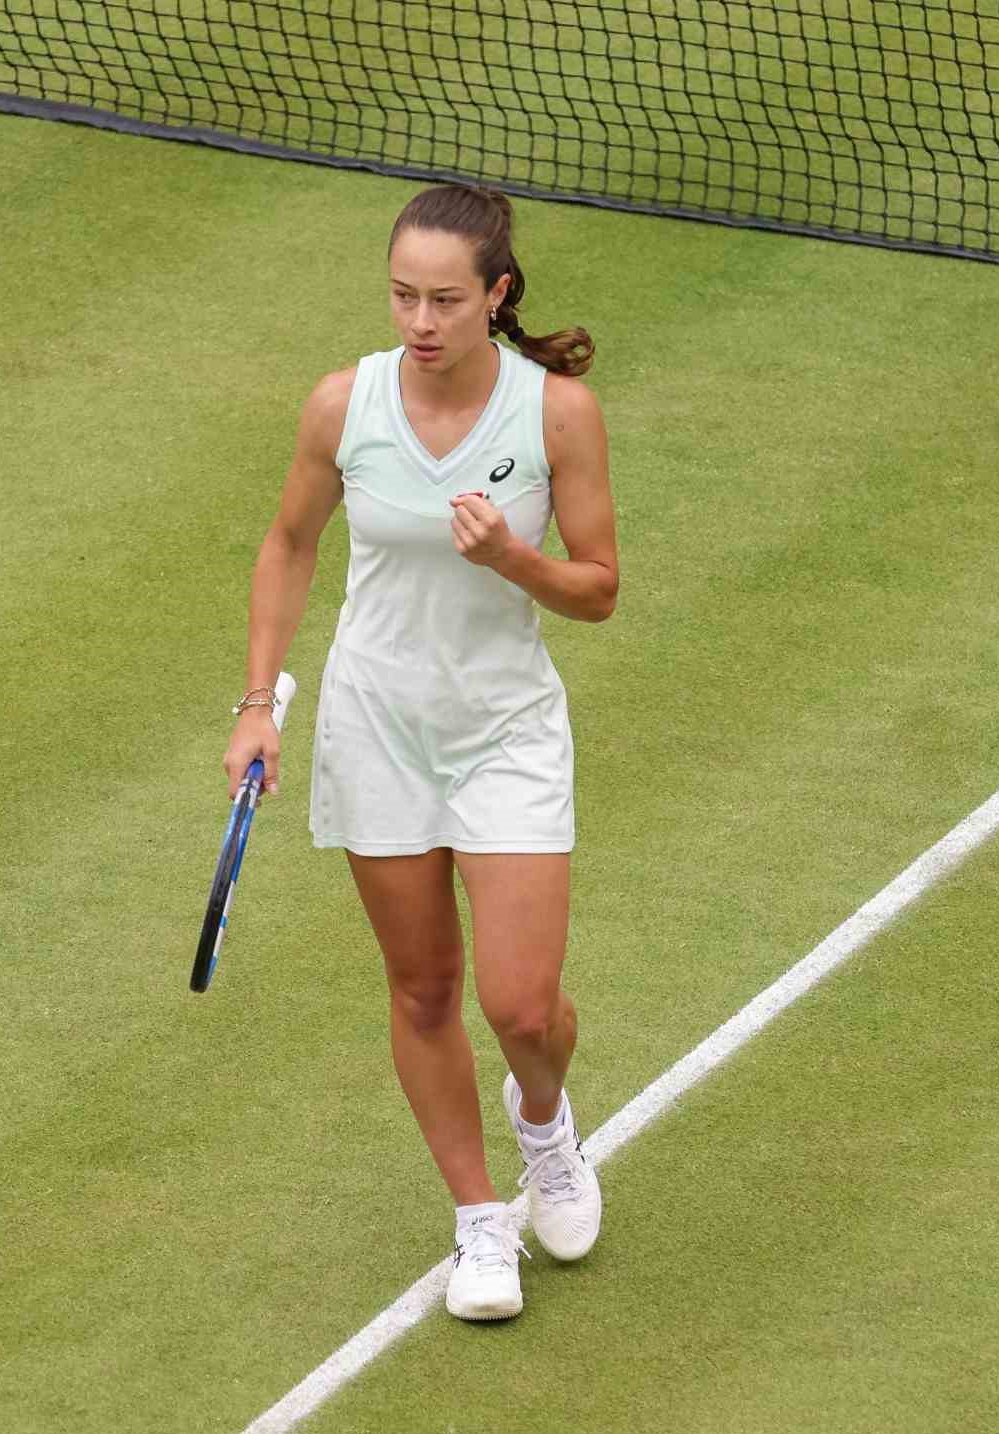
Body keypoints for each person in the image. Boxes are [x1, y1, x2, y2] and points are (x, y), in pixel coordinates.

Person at [222, 183, 619, 1322]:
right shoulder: (343, 404)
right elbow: (289, 543)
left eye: (446, 299)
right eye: (402, 296)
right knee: (425, 984)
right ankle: (478, 1219)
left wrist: (514, 560)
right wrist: (258, 701)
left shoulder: (556, 415)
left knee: (524, 1003)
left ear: (497, 295)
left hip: (504, 731)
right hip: (376, 726)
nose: (420, 321)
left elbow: (596, 590)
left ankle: (545, 1126)